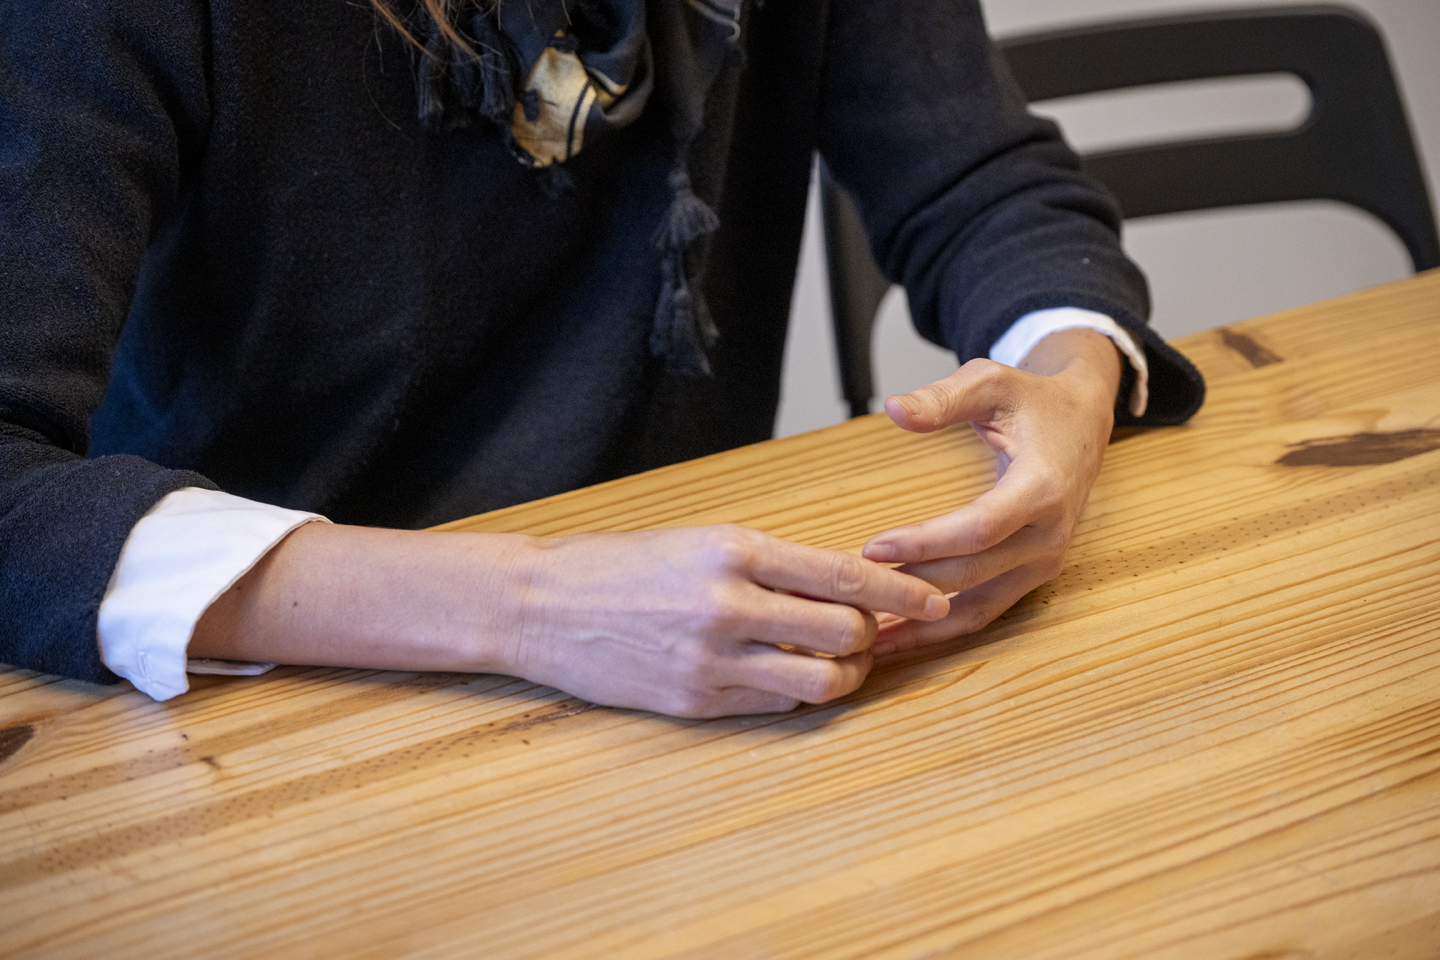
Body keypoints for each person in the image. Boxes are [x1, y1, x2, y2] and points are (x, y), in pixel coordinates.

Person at [0, 0, 1204, 717]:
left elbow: (982, 183)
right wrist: (535, 608)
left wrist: (1071, 380)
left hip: (704, 680)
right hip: (268, 700)